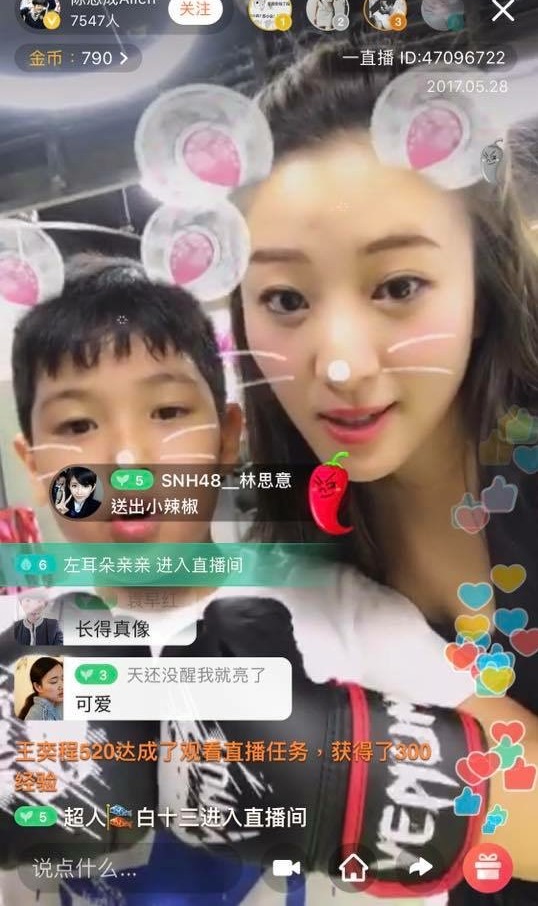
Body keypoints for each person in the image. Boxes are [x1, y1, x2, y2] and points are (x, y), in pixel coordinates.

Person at [0, 254, 510, 904]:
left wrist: (348, 780)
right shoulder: (16, 649)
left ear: (226, 437)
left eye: (166, 411)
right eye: (78, 425)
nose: (128, 460)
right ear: (35, 466)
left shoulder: (345, 619)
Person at [230, 40, 538, 897]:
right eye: (286, 299)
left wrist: (345, 771)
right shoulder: (293, 541)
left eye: (398, 286)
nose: (339, 364)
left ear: (482, 280)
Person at [17, 656, 63, 720]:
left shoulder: (60, 704)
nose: (62, 686)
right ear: (38, 687)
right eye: (54, 682)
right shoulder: (35, 716)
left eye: (63, 679)